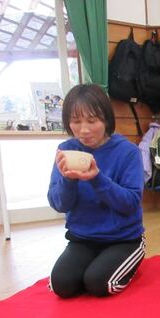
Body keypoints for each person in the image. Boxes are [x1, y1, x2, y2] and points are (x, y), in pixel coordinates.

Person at [48, 84, 145, 298]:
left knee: (99, 283)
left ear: (106, 119)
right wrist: (67, 180)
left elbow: (130, 203)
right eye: (76, 121)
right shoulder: (66, 150)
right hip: (82, 239)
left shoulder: (128, 152)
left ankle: (129, 261)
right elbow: (58, 204)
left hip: (123, 238)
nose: (84, 129)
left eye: (92, 121)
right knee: (61, 285)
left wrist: (96, 179)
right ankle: (97, 265)